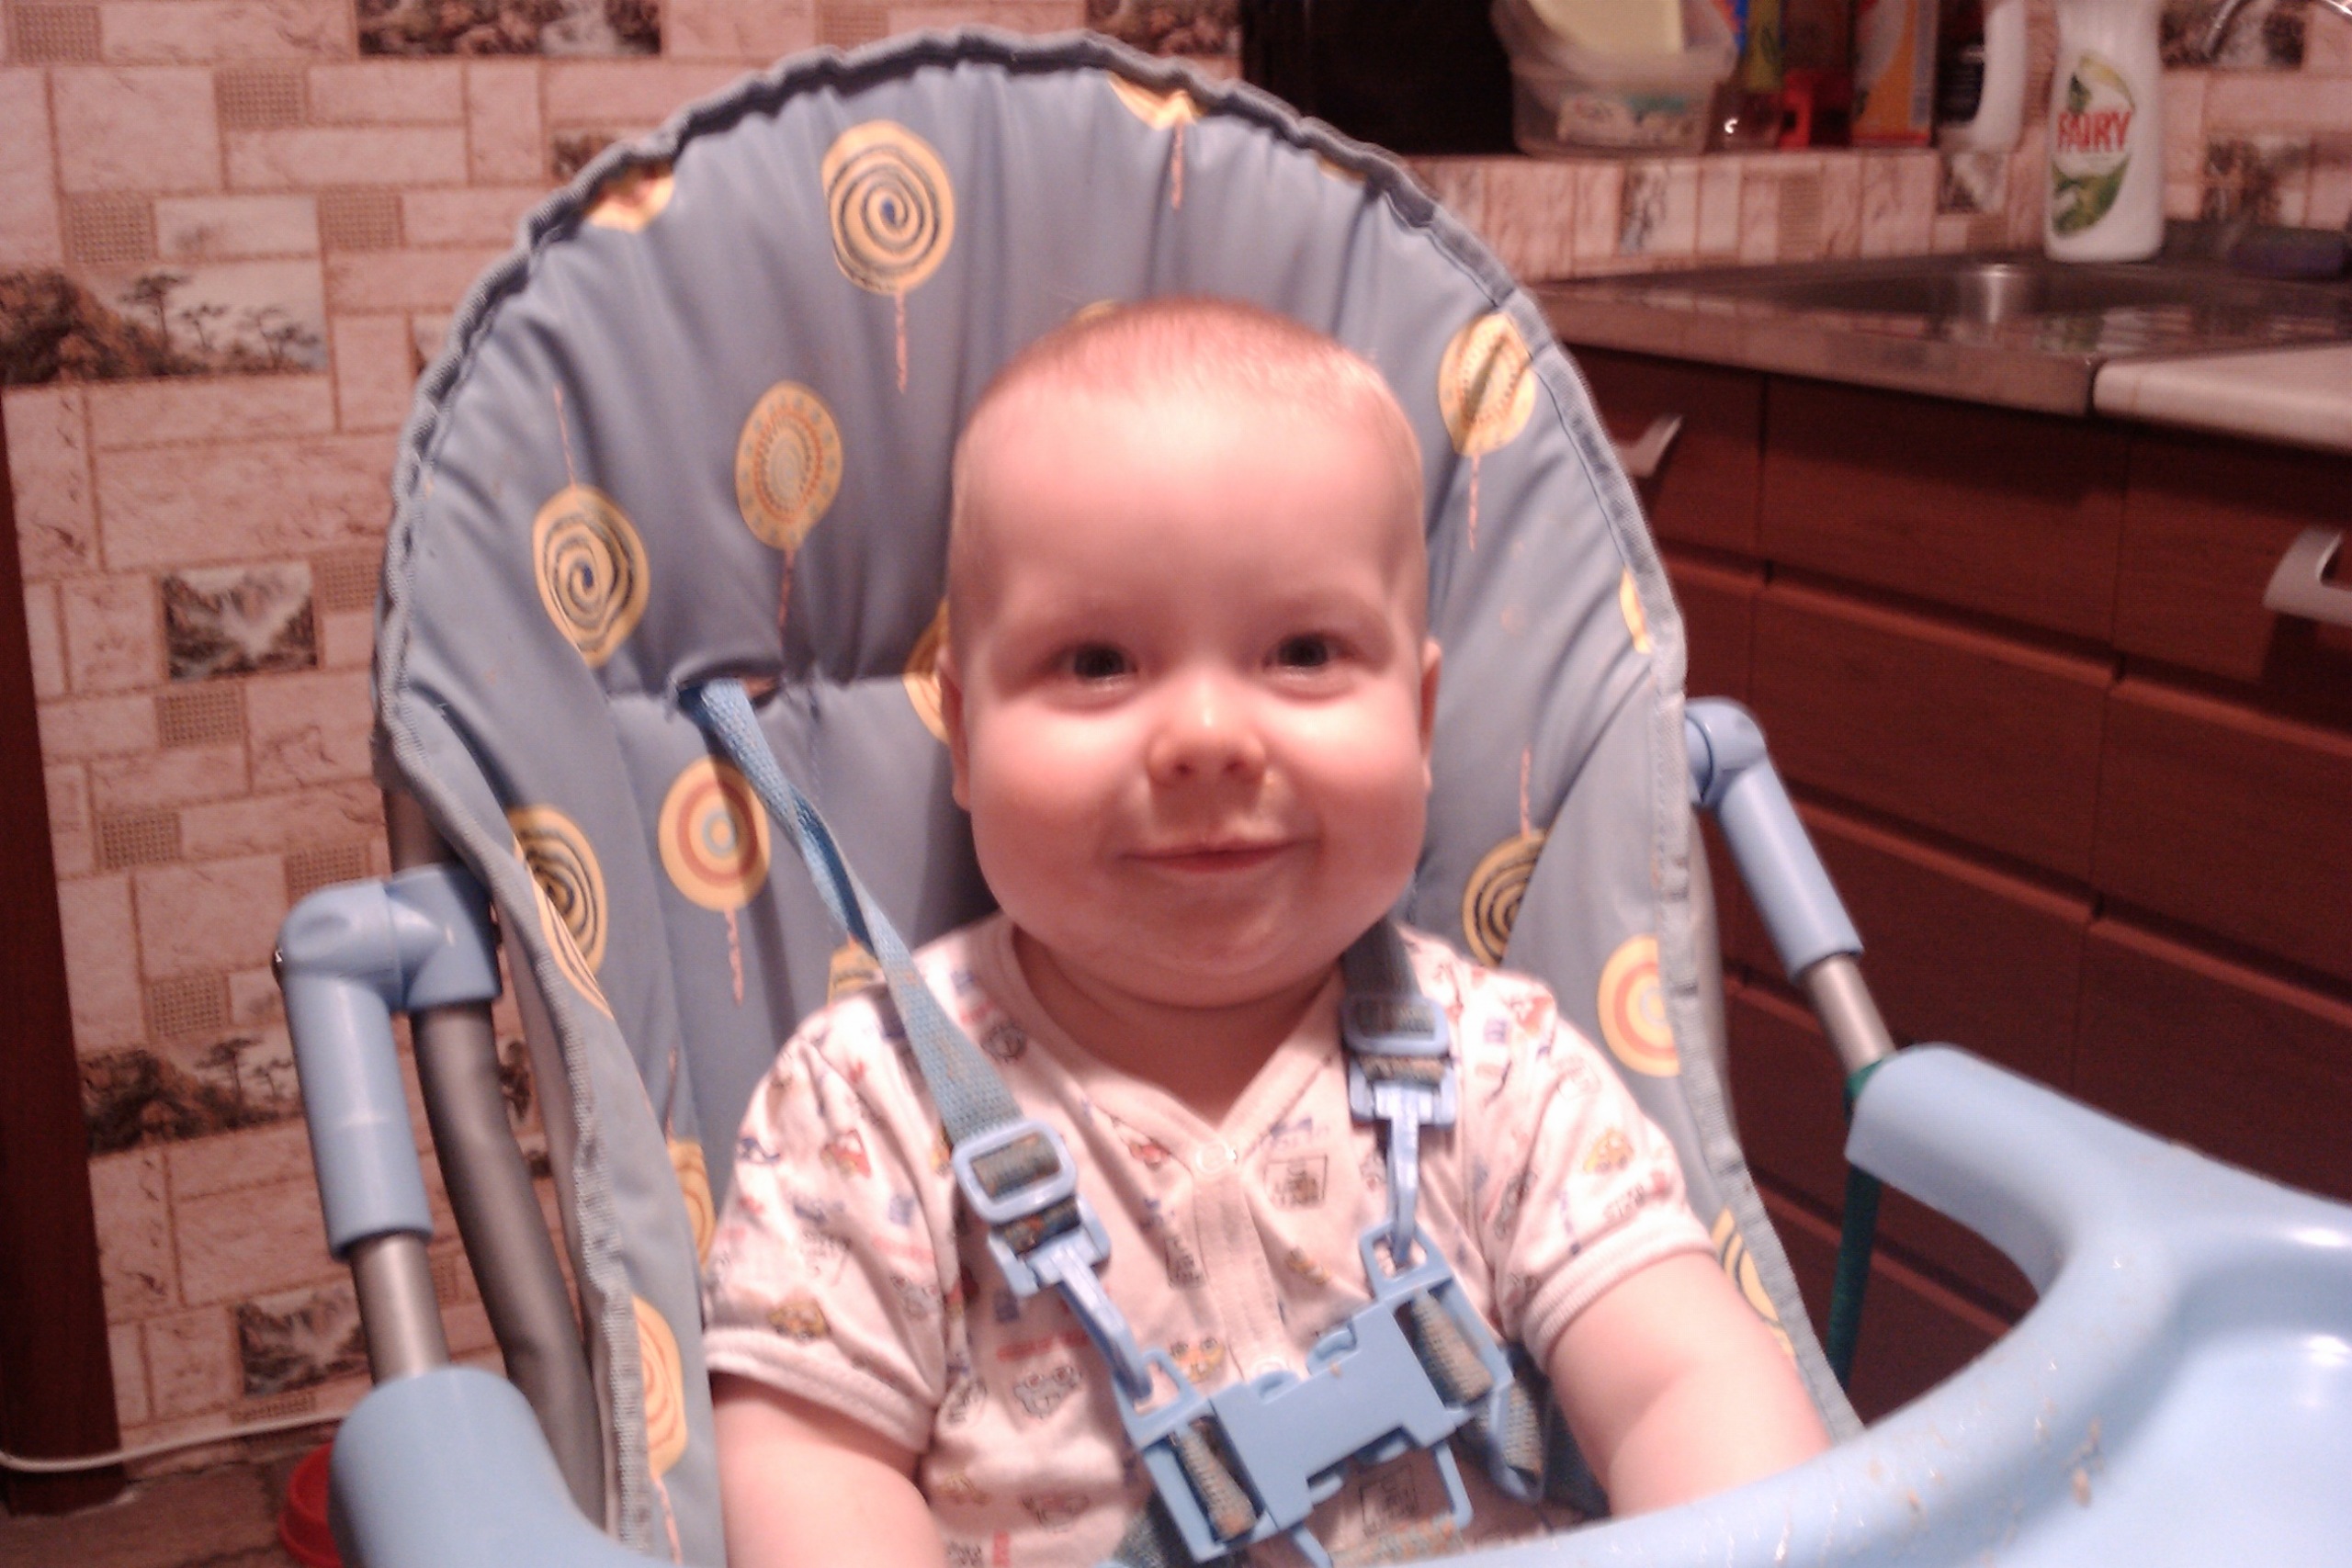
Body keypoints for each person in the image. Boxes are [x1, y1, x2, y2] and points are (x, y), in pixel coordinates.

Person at [701, 298, 1828, 1568]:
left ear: (1419, 717)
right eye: (1097, 662)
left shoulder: (1502, 1075)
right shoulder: (870, 1106)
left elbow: (1687, 1381)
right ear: (964, 735)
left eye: (1300, 651)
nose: (1206, 739)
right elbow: (809, 1468)